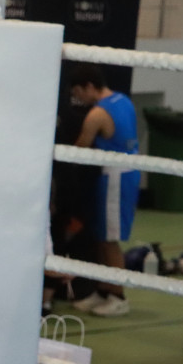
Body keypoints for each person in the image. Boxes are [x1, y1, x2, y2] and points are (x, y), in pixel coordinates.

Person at [67, 63, 140, 317]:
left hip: (115, 178)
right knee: (100, 235)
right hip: (120, 175)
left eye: (77, 91)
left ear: (89, 86)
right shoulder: (124, 100)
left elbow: (79, 149)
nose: (76, 98)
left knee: (109, 240)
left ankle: (118, 296)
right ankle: (103, 289)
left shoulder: (96, 114)